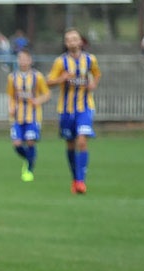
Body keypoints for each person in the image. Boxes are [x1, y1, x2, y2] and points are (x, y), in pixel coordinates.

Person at [46, 28, 101, 194]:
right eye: (69, 39)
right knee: (70, 144)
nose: (72, 42)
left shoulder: (90, 60)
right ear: (66, 43)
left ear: (80, 42)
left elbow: (97, 74)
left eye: (75, 39)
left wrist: (93, 84)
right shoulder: (60, 62)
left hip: (85, 107)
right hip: (66, 109)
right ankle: (75, 177)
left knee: (82, 141)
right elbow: (48, 82)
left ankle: (80, 181)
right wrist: (61, 79)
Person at [7, 50, 50, 182]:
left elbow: (46, 94)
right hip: (17, 117)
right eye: (20, 59)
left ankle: (29, 170)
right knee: (17, 144)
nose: (23, 61)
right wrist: (11, 106)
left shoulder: (38, 77)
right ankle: (29, 158)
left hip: (33, 116)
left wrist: (38, 100)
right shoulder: (12, 77)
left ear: (30, 60)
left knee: (30, 141)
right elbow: (11, 95)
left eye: (26, 58)